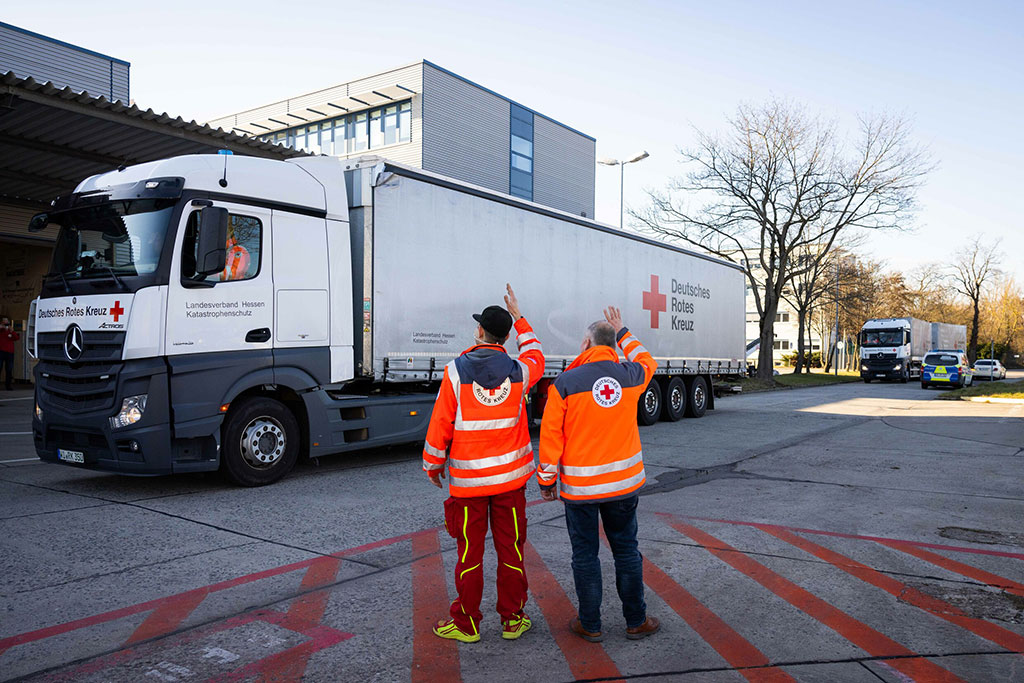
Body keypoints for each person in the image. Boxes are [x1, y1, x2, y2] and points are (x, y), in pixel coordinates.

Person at [422, 284, 544, 643]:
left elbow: (440, 424)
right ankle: (512, 619)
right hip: (510, 484)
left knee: (469, 554)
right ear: (505, 338)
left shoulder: (455, 372)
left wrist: (432, 466)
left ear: (479, 332)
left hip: (468, 486)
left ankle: (467, 624)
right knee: (511, 550)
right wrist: (520, 318)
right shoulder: (521, 372)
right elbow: (536, 352)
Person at [537, 306, 660, 642]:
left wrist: (546, 481)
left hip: (581, 490)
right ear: (614, 346)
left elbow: (551, 437)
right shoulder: (631, 376)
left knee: (585, 555)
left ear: (585, 343)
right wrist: (624, 333)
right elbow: (649, 362)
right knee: (626, 551)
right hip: (623, 488)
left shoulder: (564, 383)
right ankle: (636, 621)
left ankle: (590, 624)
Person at [0, 317, 20, 390]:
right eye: (4, 322)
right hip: (1, 351)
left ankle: (8, 386)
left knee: (9, 369)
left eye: (6, 322)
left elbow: (16, 338)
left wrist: (12, 331)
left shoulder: (10, 330)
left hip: (9, 352)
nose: (5, 324)